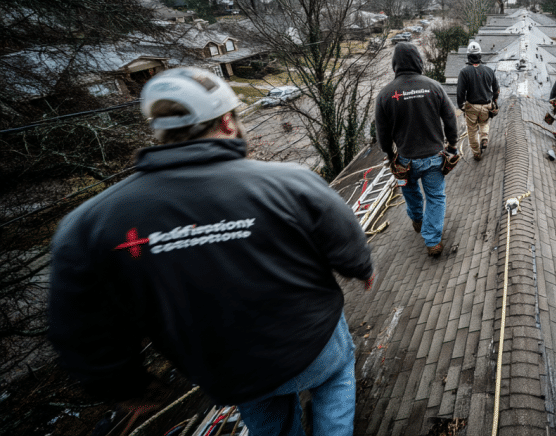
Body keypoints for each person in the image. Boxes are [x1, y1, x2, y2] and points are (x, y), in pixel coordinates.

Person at [48, 67, 374, 436]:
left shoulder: (89, 224)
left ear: (160, 131)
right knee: (335, 379)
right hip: (312, 342)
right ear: (228, 121)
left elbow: (80, 323)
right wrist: (361, 267)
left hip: (229, 370)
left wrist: (123, 384)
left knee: (269, 418)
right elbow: (341, 232)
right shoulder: (290, 181)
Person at [375, 42, 459, 257]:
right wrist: (452, 145)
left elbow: (382, 133)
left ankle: (417, 220)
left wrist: (390, 155)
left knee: (410, 192)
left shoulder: (385, 95)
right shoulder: (433, 86)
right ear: (418, 61)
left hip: (405, 160)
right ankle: (432, 241)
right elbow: (450, 117)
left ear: (395, 64)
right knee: (435, 197)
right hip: (434, 158)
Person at [456, 41, 500, 161]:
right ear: (480, 55)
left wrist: (461, 106)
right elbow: (496, 89)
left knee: (472, 130)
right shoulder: (489, 70)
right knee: (484, 123)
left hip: (471, 106)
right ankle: (484, 138)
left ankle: (476, 153)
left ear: (468, 56)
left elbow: (460, 92)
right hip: (486, 105)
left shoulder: (464, 72)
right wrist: (494, 102)